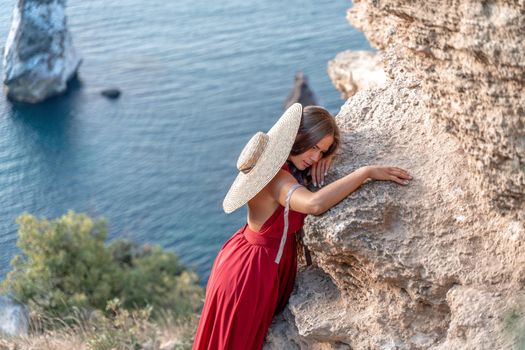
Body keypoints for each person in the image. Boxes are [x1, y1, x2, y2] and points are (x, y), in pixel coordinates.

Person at [193, 103, 412, 349]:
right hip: (252, 272)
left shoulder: (282, 167)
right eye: (313, 147)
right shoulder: (278, 179)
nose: (315, 157)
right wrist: (366, 172)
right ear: (297, 137)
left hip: (245, 255)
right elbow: (314, 204)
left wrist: (326, 156)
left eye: (322, 151)